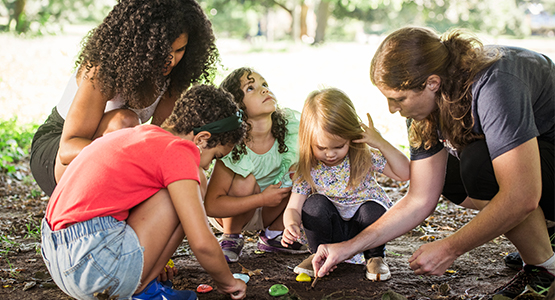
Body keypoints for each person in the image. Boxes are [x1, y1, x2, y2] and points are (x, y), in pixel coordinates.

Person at [311, 26, 555, 298]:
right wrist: (347, 247)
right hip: (540, 162)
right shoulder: (423, 110)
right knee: (449, 173)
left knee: (478, 166)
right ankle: (544, 232)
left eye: (398, 99)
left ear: (432, 83)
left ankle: (544, 270)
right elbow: (419, 199)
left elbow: (522, 195)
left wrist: (449, 248)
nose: (392, 109)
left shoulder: (495, 84)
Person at [41, 85, 248, 300]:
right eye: (214, 156)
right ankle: (143, 290)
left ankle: (140, 283)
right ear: (202, 139)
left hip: (58, 258)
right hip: (97, 269)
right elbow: (202, 243)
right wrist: (228, 282)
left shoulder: (140, 135)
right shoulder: (178, 151)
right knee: (195, 183)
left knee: (181, 186)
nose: (208, 166)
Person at [30, 0, 218, 196]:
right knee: (124, 123)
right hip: (59, 154)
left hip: (113, 157)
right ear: (141, 43)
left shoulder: (175, 76)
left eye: (179, 50)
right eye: (162, 51)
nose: (171, 60)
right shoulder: (103, 70)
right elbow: (67, 149)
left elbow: (164, 137)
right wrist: (133, 153)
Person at [281, 88, 410, 282]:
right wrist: (290, 223)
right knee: (314, 205)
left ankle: (375, 257)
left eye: (339, 146)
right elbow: (293, 207)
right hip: (332, 228)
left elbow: (405, 173)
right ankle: (318, 254)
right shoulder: (308, 168)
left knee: (372, 209)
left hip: (364, 229)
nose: (330, 154)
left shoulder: (362, 157)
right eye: (321, 148)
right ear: (308, 141)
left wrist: (380, 142)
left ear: (351, 137)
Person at [204, 67, 309, 263]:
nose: (264, 90)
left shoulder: (289, 130)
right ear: (236, 105)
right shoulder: (232, 145)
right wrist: (261, 199)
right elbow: (211, 206)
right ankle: (231, 238)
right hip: (230, 213)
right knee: (246, 180)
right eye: (250, 88)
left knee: (299, 174)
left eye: (264, 84)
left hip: (270, 208)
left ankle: (273, 235)